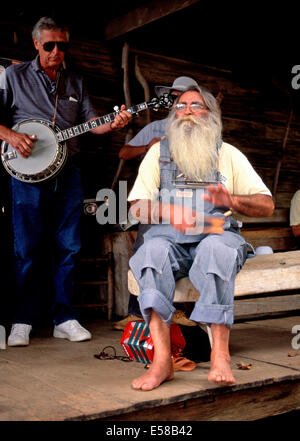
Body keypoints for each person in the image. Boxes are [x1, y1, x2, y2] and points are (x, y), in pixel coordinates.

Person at [127, 85, 274, 390]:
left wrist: (231, 200)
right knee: (150, 252)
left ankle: (220, 354)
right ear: (173, 115)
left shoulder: (228, 154)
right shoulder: (158, 153)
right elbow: (137, 207)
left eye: (197, 105)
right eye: (181, 106)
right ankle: (162, 361)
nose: (188, 111)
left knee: (216, 249)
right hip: (169, 240)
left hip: (217, 234)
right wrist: (171, 212)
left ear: (211, 115)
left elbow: (267, 204)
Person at [0, 16, 131, 347]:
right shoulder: (13, 76)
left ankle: (64, 318)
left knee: (69, 246)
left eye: (62, 45)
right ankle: (22, 320)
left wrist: (113, 123)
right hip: (26, 177)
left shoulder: (76, 82)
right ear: (36, 44)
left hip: (69, 173)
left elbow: (92, 123)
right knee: (26, 249)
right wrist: (11, 136)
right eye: (49, 45)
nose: (57, 51)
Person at [114, 77, 200, 330]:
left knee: (185, 252)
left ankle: (181, 312)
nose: (177, 102)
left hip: (187, 200)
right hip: (153, 200)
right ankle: (136, 312)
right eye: (174, 97)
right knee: (144, 250)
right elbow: (123, 152)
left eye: (183, 97)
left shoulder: (199, 129)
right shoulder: (156, 127)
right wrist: (148, 147)